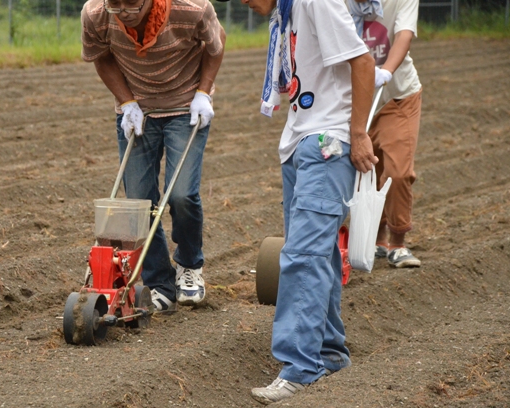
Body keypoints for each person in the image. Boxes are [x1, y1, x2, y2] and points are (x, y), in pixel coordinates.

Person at [242, 0, 376, 403]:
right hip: (301, 142)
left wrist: (358, 133)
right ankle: (330, 351)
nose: (245, 3)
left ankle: (300, 366)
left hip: (328, 144)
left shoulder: (316, 1)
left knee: (301, 255)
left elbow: (363, 62)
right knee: (319, 255)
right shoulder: (285, 12)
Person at [81, 0, 226, 311]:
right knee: (139, 202)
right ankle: (159, 281)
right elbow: (101, 57)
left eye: (131, 1)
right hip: (138, 110)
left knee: (182, 194)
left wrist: (204, 92)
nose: (123, 10)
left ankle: (189, 267)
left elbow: (216, 44)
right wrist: (126, 101)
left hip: (185, 108)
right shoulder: (95, 15)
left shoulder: (192, 9)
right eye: (115, 3)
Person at [349, 0, 423, 268]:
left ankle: (398, 242)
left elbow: (404, 35)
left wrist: (386, 71)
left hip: (398, 95)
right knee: (368, 169)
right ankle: (377, 239)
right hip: (359, 99)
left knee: (398, 170)